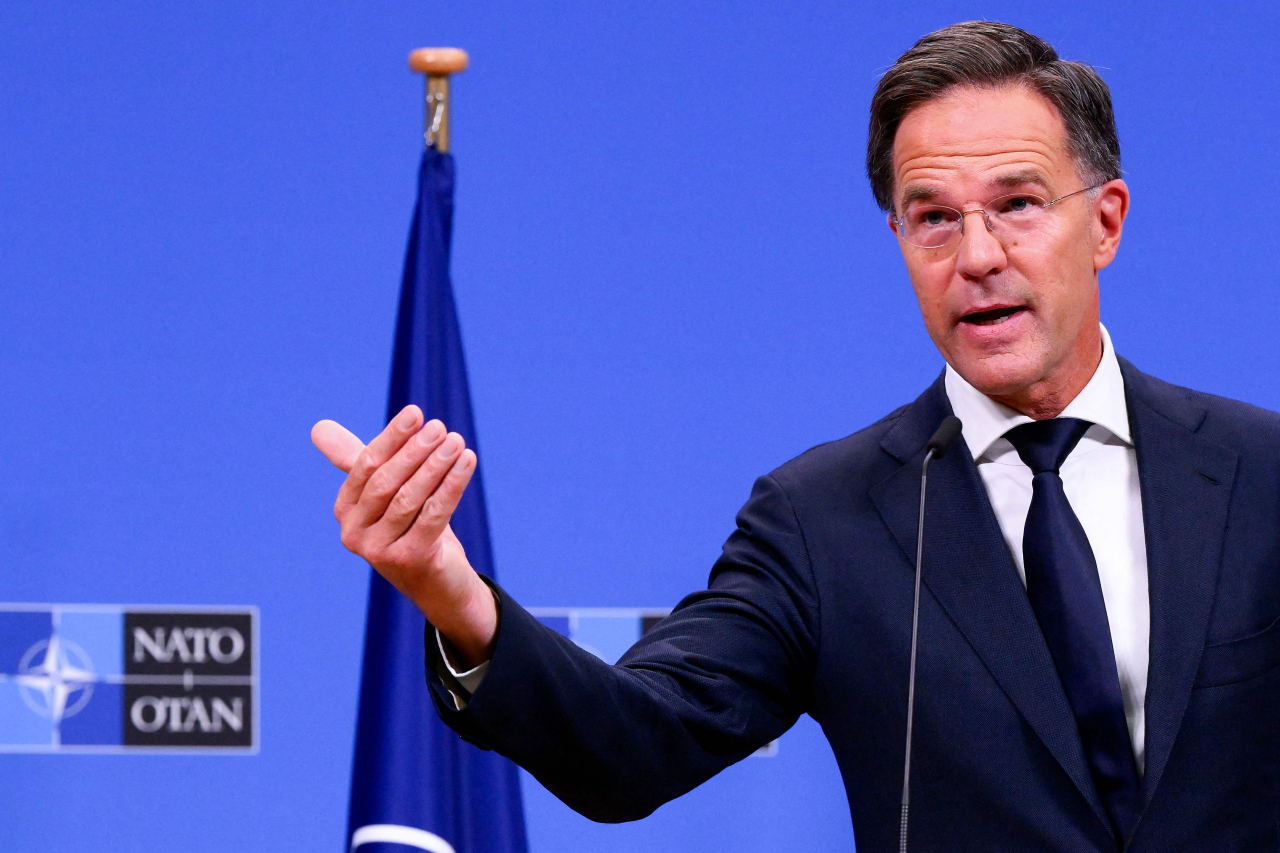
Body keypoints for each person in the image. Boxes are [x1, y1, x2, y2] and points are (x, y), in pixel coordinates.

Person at [312, 21, 1280, 852]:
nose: (975, 256)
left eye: (1016, 206)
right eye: (931, 218)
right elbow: (632, 742)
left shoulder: (1260, 473)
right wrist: (461, 601)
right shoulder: (825, 519)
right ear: (897, 239)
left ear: (1103, 221)